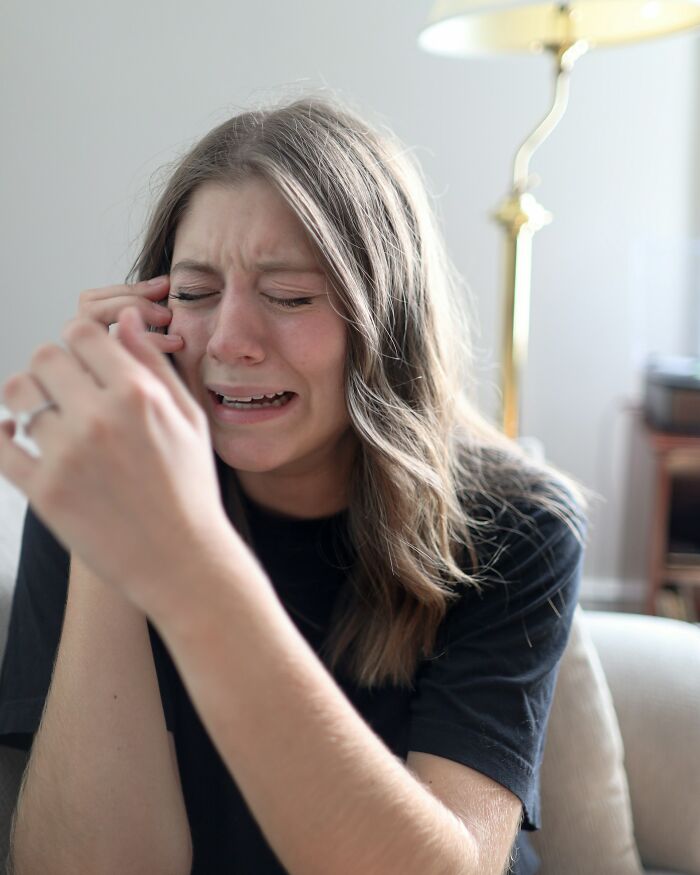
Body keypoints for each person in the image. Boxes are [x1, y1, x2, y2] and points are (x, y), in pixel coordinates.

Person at [0, 92, 589, 875]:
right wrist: (113, 541)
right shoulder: (101, 489)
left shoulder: (519, 522)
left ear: (388, 323)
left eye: (289, 296)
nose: (231, 339)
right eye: (195, 293)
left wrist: (188, 560)